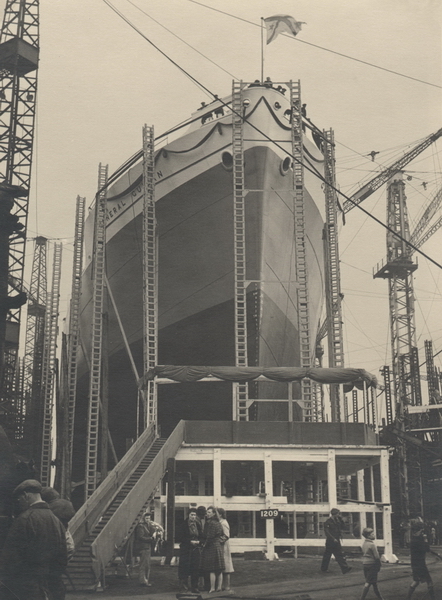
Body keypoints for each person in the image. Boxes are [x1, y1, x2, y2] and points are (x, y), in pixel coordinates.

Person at [0, 479, 67, 600]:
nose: (19, 503)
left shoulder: (24, 519)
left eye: (19, 499)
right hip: (50, 586)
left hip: (26, 588)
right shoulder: (56, 520)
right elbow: (63, 555)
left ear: (26, 495)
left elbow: (10, 558)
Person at [41, 487, 76, 561]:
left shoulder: (47, 508)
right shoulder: (67, 504)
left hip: (51, 537)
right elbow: (72, 514)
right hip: (65, 535)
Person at [406, 519, 435, 599]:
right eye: (421, 530)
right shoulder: (418, 541)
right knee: (429, 581)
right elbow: (427, 549)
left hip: (415, 564)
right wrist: (425, 540)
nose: (422, 532)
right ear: (417, 531)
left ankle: (408, 598)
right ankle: (433, 598)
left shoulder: (413, 540)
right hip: (420, 564)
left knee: (416, 581)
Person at [176, 508, 203, 592]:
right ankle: (184, 586)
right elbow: (179, 537)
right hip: (186, 549)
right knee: (184, 567)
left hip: (195, 549)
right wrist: (189, 541)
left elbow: (201, 536)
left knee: (195, 567)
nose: (193, 517)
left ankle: (195, 586)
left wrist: (199, 541)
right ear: (188, 515)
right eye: (192, 515)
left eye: (194, 515)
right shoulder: (183, 525)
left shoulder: (198, 524)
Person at [200, 506, 225, 593]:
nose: (207, 514)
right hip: (218, 546)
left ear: (214, 513)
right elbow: (222, 534)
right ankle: (219, 587)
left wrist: (204, 545)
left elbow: (209, 536)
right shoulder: (218, 523)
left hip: (211, 547)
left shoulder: (210, 523)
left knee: (212, 569)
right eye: (207, 512)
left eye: (209, 512)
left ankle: (212, 588)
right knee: (219, 569)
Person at [320, 508, 352, 574]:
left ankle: (345, 568)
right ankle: (324, 568)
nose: (339, 515)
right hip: (330, 541)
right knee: (327, 555)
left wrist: (341, 520)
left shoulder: (338, 521)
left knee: (339, 554)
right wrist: (333, 539)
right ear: (334, 514)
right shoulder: (328, 522)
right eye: (338, 514)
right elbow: (327, 532)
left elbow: (344, 527)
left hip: (336, 540)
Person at [359, 527, 384, 600]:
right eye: (372, 534)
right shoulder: (372, 545)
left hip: (365, 564)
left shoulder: (364, 544)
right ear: (368, 536)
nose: (374, 535)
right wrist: (379, 565)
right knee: (368, 582)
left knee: (374, 582)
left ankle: (381, 598)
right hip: (372, 565)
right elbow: (377, 557)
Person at [134, 512, 157, 587]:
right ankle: (143, 581)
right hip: (143, 547)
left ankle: (145, 580)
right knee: (144, 564)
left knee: (147, 565)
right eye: (147, 518)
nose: (148, 520)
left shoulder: (148, 525)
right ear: (144, 518)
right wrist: (151, 538)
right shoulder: (141, 526)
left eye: (149, 518)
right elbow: (140, 537)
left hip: (147, 547)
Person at [218, 508, 234, 591]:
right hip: (221, 547)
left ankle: (227, 586)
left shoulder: (224, 523)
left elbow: (226, 535)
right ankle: (222, 586)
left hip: (224, 547)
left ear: (220, 514)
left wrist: (218, 541)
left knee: (226, 567)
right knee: (223, 566)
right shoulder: (220, 522)